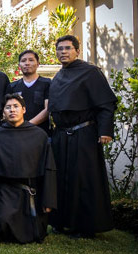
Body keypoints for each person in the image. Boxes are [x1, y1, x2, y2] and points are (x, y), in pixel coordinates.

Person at [48, 35, 117, 238]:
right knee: (62, 179)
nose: (63, 52)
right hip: (61, 136)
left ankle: (86, 226)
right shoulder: (59, 76)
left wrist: (105, 131)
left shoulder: (90, 72)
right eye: (59, 48)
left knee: (84, 180)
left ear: (77, 50)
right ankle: (63, 222)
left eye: (68, 48)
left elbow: (106, 104)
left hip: (84, 134)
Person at [0, 94, 57, 243]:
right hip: (5, 191)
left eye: (16, 106)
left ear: (24, 110)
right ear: (3, 112)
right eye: (8, 107)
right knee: (3, 225)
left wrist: (48, 200)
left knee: (36, 233)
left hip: (31, 191)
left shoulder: (39, 135)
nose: (12, 110)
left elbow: (49, 169)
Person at [6, 50, 50, 134]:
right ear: (19, 66)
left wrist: (28, 125)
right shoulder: (12, 86)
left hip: (41, 133)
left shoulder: (47, 83)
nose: (27, 63)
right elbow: (8, 110)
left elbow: (47, 109)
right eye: (23, 61)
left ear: (38, 64)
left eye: (31, 60)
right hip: (17, 133)